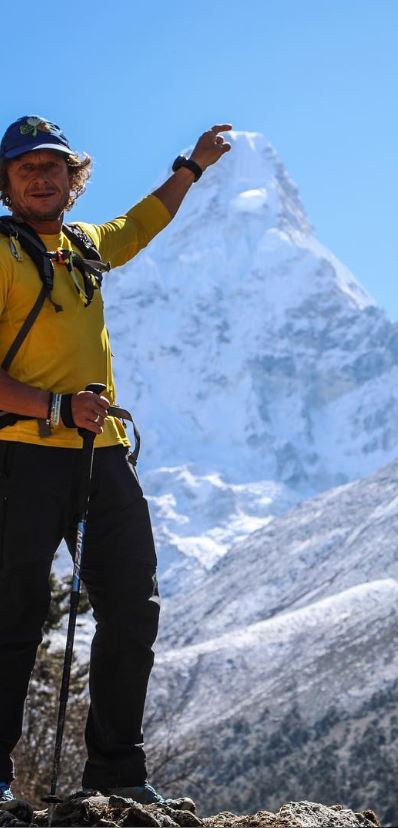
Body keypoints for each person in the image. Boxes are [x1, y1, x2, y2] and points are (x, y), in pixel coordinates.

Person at [0, 115, 231, 805]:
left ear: (73, 181)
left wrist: (190, 168)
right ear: (7, 185)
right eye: (26, 168)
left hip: (101, 457)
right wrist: (54, 407)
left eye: (54, 167)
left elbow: (138, 225)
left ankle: (118, 777)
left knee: (132, 608)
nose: (42, 178)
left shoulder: (83, 245)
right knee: (11, 617)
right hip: (19, 456)